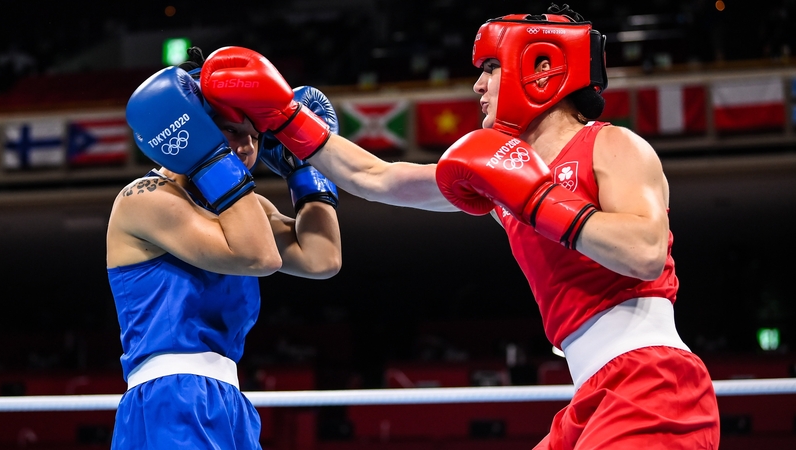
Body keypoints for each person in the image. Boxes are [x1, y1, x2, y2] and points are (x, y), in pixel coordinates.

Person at [198, 3, 720, 448]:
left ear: (539, 67)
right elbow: (376, 176)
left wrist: (537, 199)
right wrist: (286, 116)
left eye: (490, 67)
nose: (477, 84)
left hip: (651, 382)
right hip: (591, 392)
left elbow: (645, 250)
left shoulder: (612, 145)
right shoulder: (499, 179)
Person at [106, 48, 342, 449]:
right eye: (232, 130)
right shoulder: (144, 199)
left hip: (229, 400)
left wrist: (305, 171)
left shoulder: (245, 210)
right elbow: (260, 257)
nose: (248, 146)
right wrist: (212, 158)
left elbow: (322, 259)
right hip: (170, 398)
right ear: (192, 125)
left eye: (255, 136)